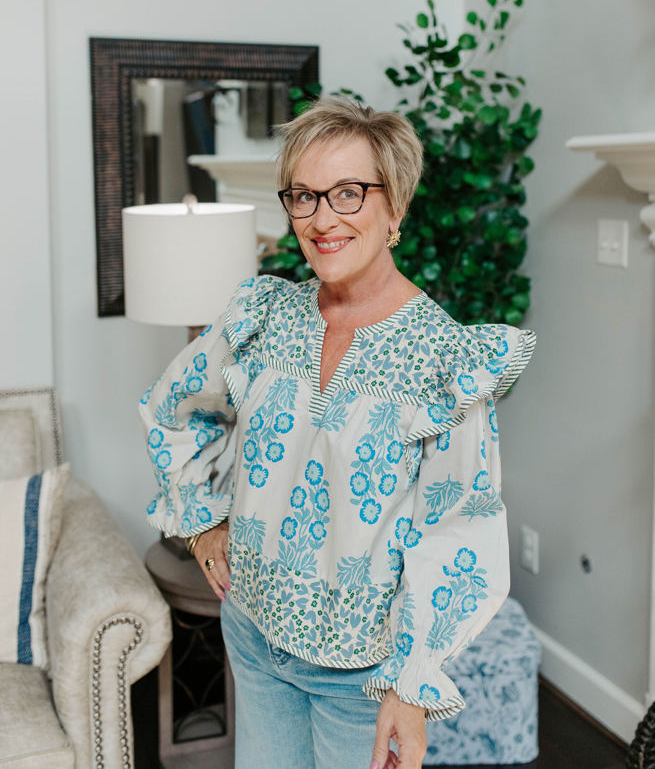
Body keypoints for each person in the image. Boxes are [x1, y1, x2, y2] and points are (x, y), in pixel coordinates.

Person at [141, 97, 535, 769]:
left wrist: (409, 686)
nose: (323, 219)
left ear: (394, 205)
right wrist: (202, 523)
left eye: (348, 193)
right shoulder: (263, 316)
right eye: (304, 196)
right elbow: (173, 406)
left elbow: (458, 530)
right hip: (252, 631)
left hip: (361, 673)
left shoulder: (443, 358)